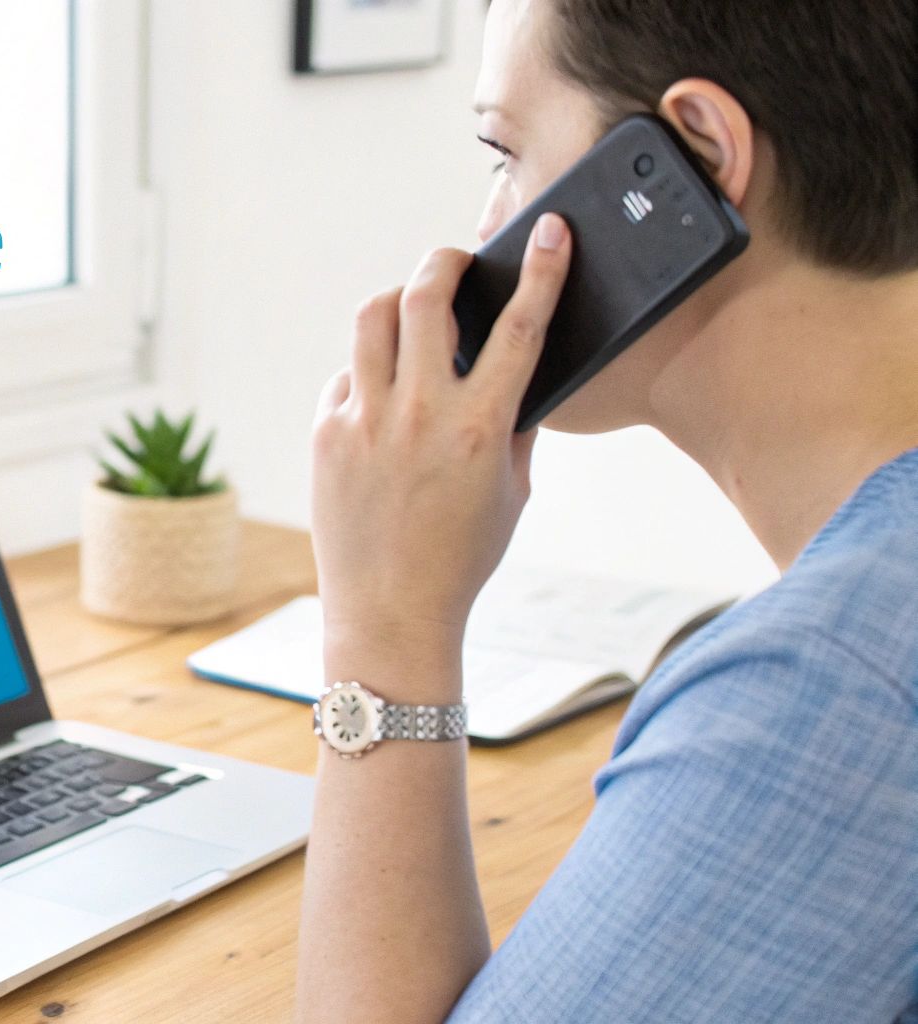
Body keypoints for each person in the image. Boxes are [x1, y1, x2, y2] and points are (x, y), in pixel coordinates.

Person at [294, 0, 918, 1020]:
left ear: (697, 154)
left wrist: (385, 621)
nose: (486, 226)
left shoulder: (824, 688)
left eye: (504, 149)